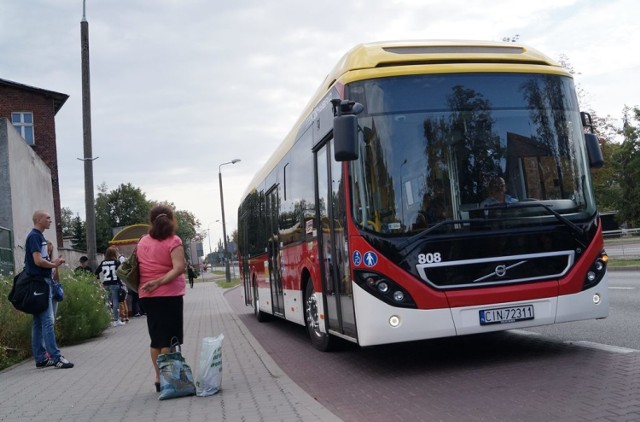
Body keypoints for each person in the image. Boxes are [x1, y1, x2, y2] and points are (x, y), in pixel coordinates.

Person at [137, 204, 186, 393]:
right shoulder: (174, 241)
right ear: (172, 219)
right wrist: (159, 282)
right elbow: (179, 268)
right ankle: (170, 380)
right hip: (169, 295)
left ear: (151, 220)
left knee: (156, 339)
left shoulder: (142, 242)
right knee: (169, 339)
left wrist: (151, 284)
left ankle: (158, 379)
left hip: (147, 296)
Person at [26, 210, 74, 369]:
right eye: (47, 218)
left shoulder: (39, 237)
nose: (50, 220)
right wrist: (54, 265)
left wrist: (54, 262)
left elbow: (42, 260)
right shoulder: (34, 236)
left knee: (38, 322)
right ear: (39, 220)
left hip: (41, 282)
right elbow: (38, 261)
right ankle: (56, 357)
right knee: (47, 321)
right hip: (40, 283)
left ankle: (41, 358)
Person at [95, 246, 125, 327]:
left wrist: (98, 281)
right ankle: (116, 320)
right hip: (115, 283)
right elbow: (121, 273)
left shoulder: (103, 262)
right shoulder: (117, 262)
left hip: (106, 284)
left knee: (107, 302)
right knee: (115, 302)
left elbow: (96, 272)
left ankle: (107, 320)